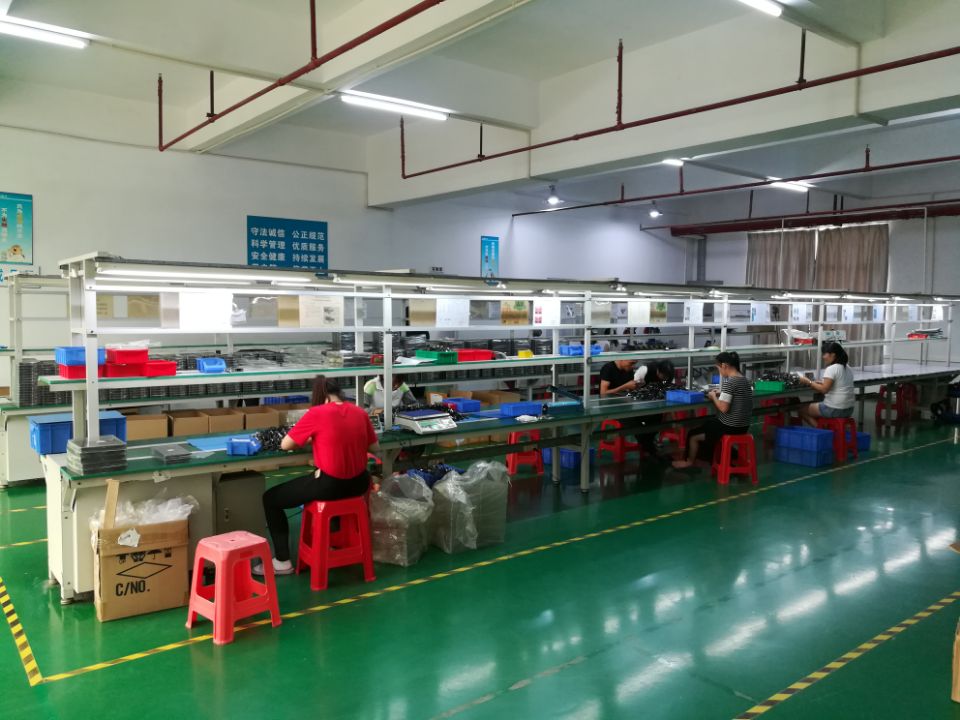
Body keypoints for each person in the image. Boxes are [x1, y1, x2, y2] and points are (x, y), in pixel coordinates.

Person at [255, 375, 379, 576]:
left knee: (270, 499)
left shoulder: (317, 413)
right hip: (359, 483)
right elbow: (375, 447)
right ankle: (333, 542)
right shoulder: (359, 412)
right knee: (320, 480)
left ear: (322, 397)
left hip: (331, 486)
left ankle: (282, 561)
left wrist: (314, 437)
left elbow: (286, 444)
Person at [672, 351, 753, 469]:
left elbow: (723, 408)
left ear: (724, 366)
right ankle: (719, 458)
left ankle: (689, 461)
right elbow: (735, 395)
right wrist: (721, 393)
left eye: (719, 368)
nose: (719, 371)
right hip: (743, 426)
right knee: (709, 423)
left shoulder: (730, 382)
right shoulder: (744, 380)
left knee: (693, 433)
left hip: (729, 427)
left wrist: (713, 396)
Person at [797, 341, 855, 426]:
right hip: (849, 409)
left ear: (833, 355)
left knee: (801, 410)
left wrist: (808, 382)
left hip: (834, 409)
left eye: (825, 354)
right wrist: (821, 383)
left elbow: (824, 390)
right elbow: (838, 384)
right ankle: (826, 428)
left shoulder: (831, 369)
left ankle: (822, 431)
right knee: (816, 407)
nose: (823, 357)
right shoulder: (847, 367)